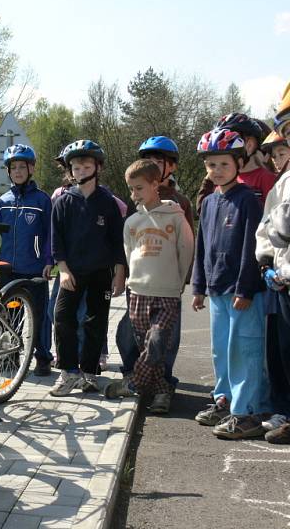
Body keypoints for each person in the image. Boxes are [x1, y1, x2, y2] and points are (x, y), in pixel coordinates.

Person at [191, 127, 269, 439]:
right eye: (211, 165)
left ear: (238, 163)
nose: (217, 171)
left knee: (244, 350)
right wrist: (198, 286)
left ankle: (247, 412)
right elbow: (201, 246)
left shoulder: (249, 200)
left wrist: (245, 288)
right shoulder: (209, 202)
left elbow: (254, 248)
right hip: (216, 289)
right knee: (221, 350)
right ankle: (224, 400)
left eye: (224, 164)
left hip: (242, 292)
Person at [104, 160, 194, 413]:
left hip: (167, 292)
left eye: (139, 188)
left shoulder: (175, 217)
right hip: (138, 293)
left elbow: (186, 250)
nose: (134, 195)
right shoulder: (132, 222)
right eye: (131, 189)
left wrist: (178, 282)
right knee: (148, 348)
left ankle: (133, 383)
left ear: (156, 185)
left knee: (156, 342)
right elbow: (129, 253)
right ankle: (162, 393)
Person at [50, 140, 126, 397]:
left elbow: (117, 241)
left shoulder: (108, 202)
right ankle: (68, 372)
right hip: (71, 271)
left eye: (86, 165)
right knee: (62, 318)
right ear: (70, 171)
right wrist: (62, 269)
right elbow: (56, 239)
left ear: (97, 167)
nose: (80, 171)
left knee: (96, 321)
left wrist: (119, 272)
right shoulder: (63, 201)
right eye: (76, 167)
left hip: (100, 272)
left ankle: (90, 373)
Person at [0, 144, 53, 376]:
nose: (18, 171)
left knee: (39, 313)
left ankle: (43, 357)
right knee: (9, 314)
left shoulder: (42, 200)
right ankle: (10, 356)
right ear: (8, 171)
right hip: (8, 270)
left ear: (31, 169)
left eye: (22, 167)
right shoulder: (3, 201)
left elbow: (51, 233)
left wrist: (48, 259)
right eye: (13, 167)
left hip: (35, 268)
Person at [255, 83, 290, 444]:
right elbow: (266, 228)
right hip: (284, 280)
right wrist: (266, 261)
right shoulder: (284, 184)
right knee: (282, 350)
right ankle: (285, 409)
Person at [196, 113, 276, 209]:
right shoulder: (226, 178)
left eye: (231, 140)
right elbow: (204, 211)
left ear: (249, 145)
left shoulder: (265, 178)